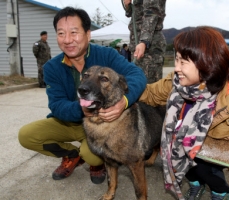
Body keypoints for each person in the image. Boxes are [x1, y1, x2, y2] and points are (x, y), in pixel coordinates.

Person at [139, 26, 229, 200]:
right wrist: (121, 93)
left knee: (204, 167)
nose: (176, 68)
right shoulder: (178, 81)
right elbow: (151, 94)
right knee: (177, 152)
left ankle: (220, 191)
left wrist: (208, 151)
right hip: (179, 142)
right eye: (176, 59)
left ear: (207, 63)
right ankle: (196, 184)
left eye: (183, 62)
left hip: (207, 152)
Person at [19, 7, 146, 185]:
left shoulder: (107, 55)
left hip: (101, 124)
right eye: (61, 33)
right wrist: (82, 108)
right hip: (69, 121)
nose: (68, 40)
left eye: (74, 32)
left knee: (92, 156)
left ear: (87, 34)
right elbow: (56, 105)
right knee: (27, 135)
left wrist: (124, 102)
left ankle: (95, 164)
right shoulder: (51, 67)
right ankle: (71, 155)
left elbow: (137, 75)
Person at [123, 0, 167, 83]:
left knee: (149, 88)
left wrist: (144, 41)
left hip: (149, 46)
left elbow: (152, 13)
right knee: (137, 84)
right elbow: (135, 13)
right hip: (138, 44)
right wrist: (128, 6)